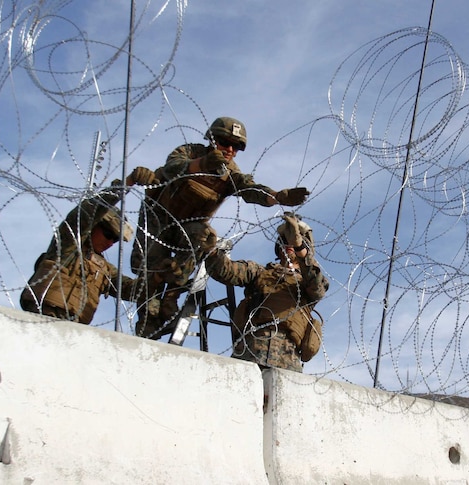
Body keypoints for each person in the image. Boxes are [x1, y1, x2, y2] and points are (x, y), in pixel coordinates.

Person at [130, 116, 310, 339]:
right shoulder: (190, 152)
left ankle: (173, 293)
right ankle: (148, 317)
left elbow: (249, 189)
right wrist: (201, 165)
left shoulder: (230, 173)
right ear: (212, 140)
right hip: (158, 220)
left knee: (205, 236)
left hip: (188, 227)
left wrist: (276, 196)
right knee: (150, 272)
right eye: (225, 143)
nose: (230, 150)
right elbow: (171, 168)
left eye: (236, 147)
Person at [20, 167, 157, 324]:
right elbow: (88, 212)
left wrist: (159, 277)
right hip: (44, 318)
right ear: (94, 226)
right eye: (108, 234)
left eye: (115, 240)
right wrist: (127, 183)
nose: (110, 242)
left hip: (74, 329)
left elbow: (129, 289)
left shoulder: (104, 268)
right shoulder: (68, 246)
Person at [201, 213, 329, 372]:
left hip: (287, 358)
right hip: (250, 350)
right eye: (284, 240)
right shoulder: (259, 272)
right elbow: (226, 271)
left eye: (292, 239)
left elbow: (317, 287)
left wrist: (299, 245)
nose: (288, 243)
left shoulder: (309, 280)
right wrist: (211, 250)